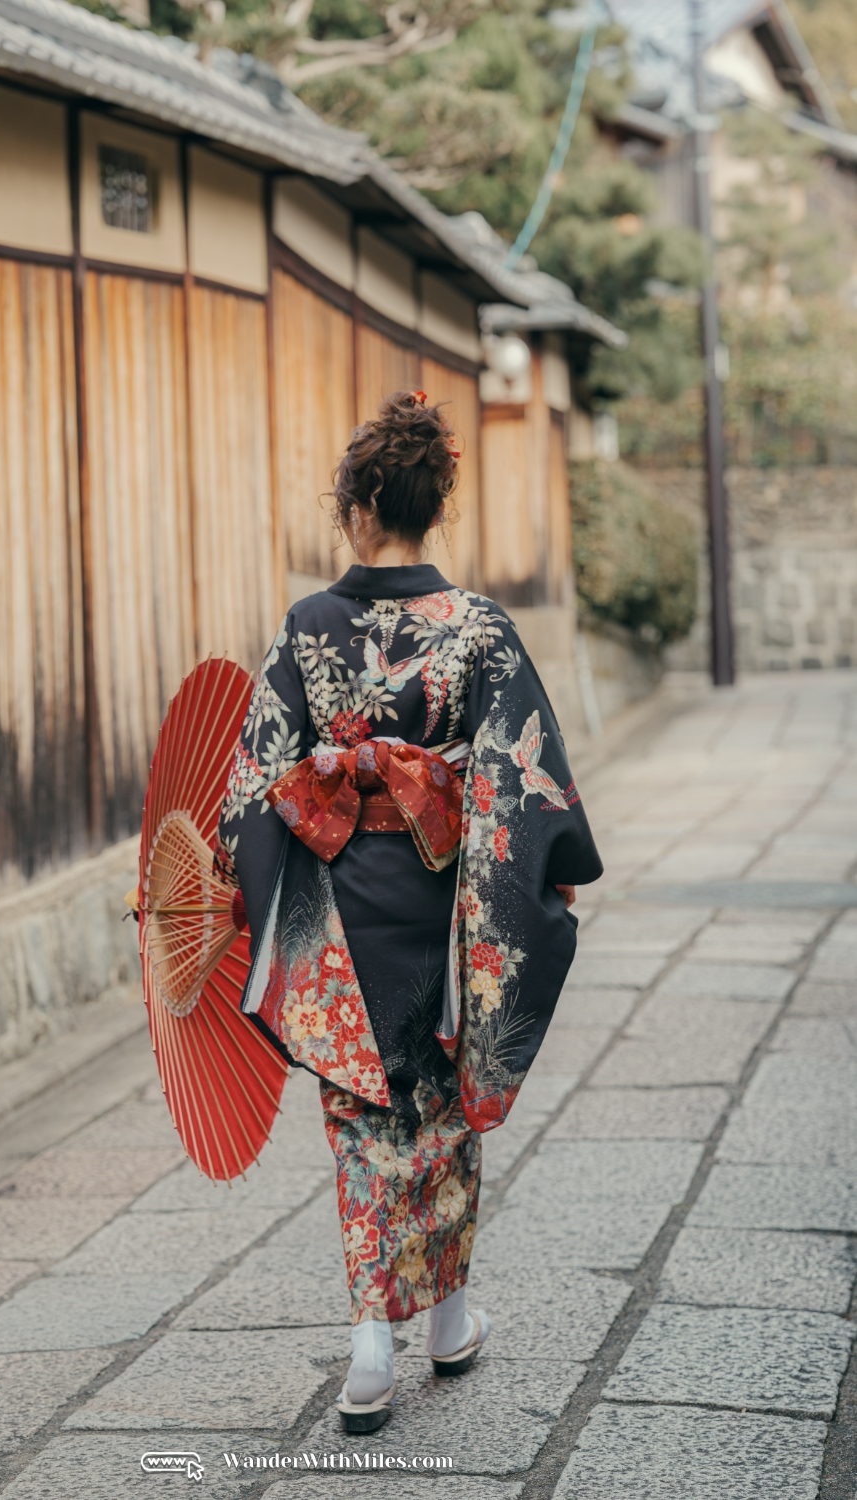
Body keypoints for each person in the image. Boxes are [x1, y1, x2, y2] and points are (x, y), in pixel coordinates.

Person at [216, 390, 602, 1432]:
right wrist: (540, 887)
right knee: (442, 1107)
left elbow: (256, 780)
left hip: (335, 913)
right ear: (436, 507)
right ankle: (449, 1319)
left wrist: (231, 881)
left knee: (358, 1120)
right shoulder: (478, 629)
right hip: (448, 915)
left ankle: (372, 1351)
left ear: (353, 508)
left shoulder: (308, 627)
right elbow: (527, 786)